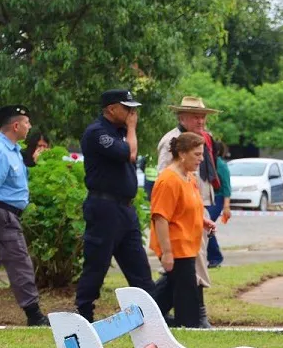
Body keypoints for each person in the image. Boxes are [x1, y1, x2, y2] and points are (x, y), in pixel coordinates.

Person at [76, 89, 155, 323]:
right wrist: (132, 128)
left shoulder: (120, 132)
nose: (133, 113)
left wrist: (128, 129)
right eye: (127, 107)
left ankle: (153, 316)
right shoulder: (97, 133)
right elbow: (128, 154)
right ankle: (84, 314)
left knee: (138, 265)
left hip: (125, 209)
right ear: (111, 109)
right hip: (104, 207)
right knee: (97, 263)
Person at [158, 96, 222, 326]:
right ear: (182, 117)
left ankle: (169, 315)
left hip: (197, 210)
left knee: (191, 267)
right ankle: (195, 316)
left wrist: (202, 215)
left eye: (203, 116)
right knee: (189, 267)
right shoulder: (172, 142)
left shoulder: (203, 139)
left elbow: (195, 180)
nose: (201, 120)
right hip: (180, 220)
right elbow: (166, 183)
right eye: (196, 116)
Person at [150, 133, 216, 328]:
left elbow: (188, 207)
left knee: (170, 289)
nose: (201, 159)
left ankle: (146, 320)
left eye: (201, 154)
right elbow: (160, 217)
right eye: (197, 154)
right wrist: (167, 252)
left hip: (189, 246)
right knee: (187, 297)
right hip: (177, 247)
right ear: (182, 154)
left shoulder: (189, 177)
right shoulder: (168, 180)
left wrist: (202, 221)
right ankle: (188, 327)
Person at [0, 105, 48, 326]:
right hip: (4, 216)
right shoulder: (1, 150)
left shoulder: (13, 150)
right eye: (27, 123)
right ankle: (34, 315)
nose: (30, 127)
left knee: (18, 262)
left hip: (10, 214)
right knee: (20, 262)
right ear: (16, 125)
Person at [206, 141, 232, 268]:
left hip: (218, 199)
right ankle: (212, 256)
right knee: (205, 226)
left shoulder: (220, 165)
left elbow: (226, 187)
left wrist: (226, 206)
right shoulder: (208, 163)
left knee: (206, 226)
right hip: (208, 198)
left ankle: (215, 257)